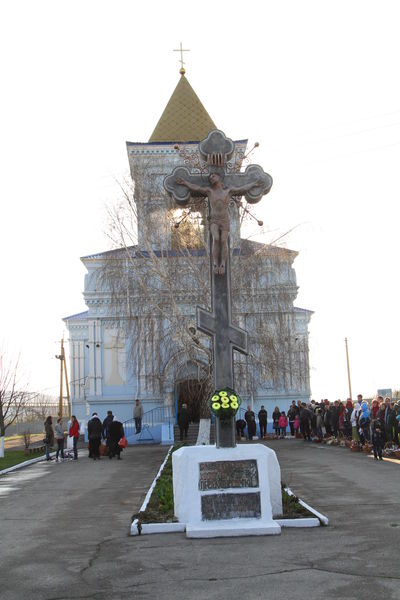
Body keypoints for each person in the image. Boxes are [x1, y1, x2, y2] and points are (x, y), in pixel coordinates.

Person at [176, 172, 264, 275]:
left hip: (224, 219)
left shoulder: (228, 191)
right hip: (214, 219)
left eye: (213, 176)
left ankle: (222, 263)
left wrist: (254, 184)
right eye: (210, 177)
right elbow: (196, 188)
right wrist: (185, 183)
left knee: (223, 240)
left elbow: (243, 188)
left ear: (219, 177)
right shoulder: (209, 191)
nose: (211, 178)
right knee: (216, 239)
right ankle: (215, 263)